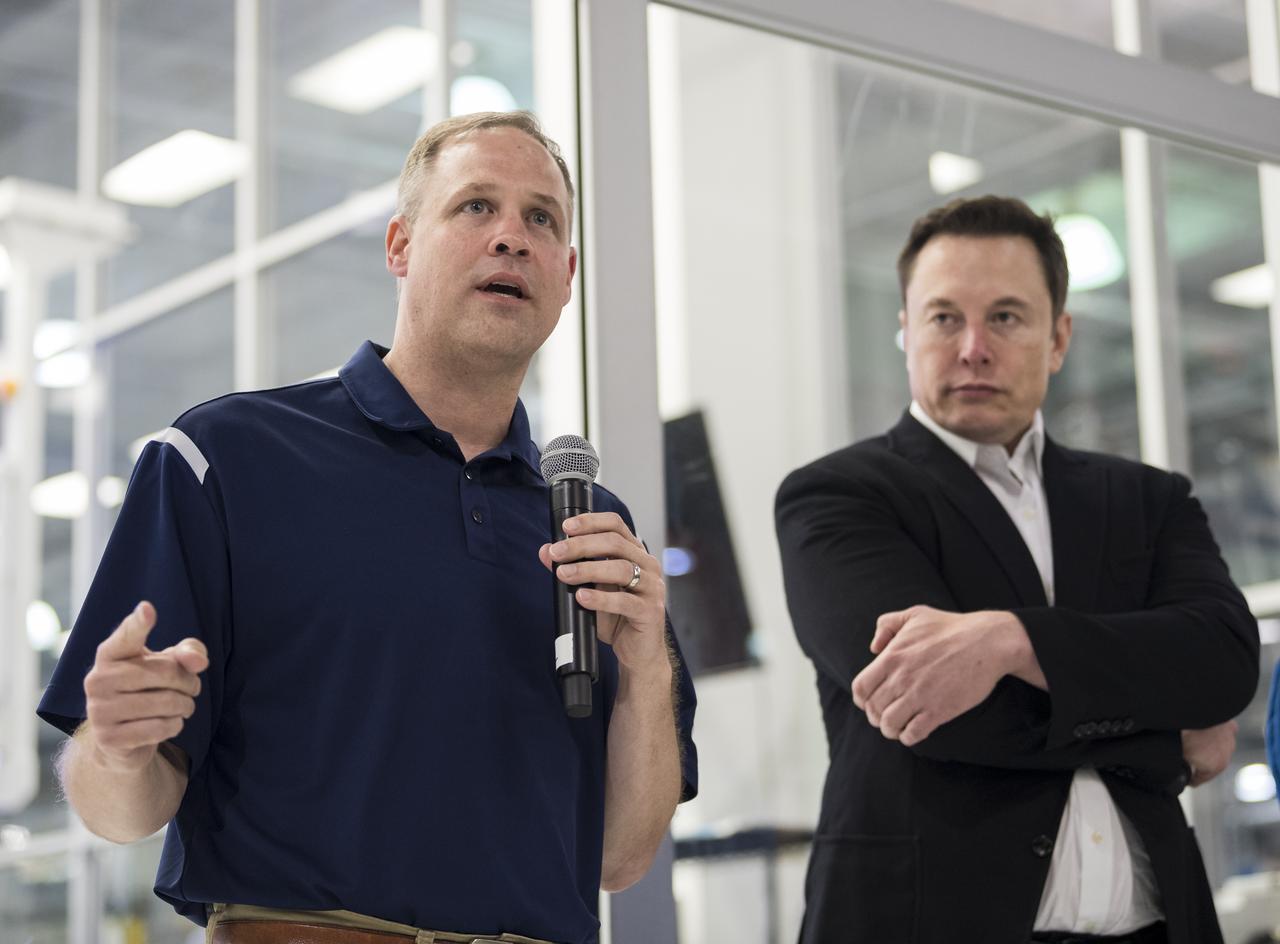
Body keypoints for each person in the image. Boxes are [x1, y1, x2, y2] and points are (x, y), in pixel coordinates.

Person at [37, 111, 697, 944]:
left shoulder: (594, 526)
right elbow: (124, 810)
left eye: (541, 218)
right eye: (474, 207)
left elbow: (620, 860)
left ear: (566, 276)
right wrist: (118, 748)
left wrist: (645, 669)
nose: (511, 238)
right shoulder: (227, 459)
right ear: (399, 246)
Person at [775, 195, 1257, 944]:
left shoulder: (1147, 499)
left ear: (1058, 336)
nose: (973, 347)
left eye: (1005, 316)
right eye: (943, 317)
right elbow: (935, 713)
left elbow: (1223, 662)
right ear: (905, 330)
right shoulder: (837, 496)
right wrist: (1164, 735)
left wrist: (1009, 644)